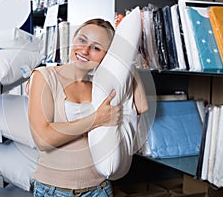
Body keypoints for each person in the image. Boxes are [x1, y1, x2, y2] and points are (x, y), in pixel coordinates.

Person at [26, 18, 148, 197]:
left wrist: (124, 57)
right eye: (82, 40)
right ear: (73, 40)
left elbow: (142, 106)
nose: (84, 50)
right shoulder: (44, 77)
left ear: (107, 56)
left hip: (98, 189)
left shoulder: (100, 85)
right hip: (52, 190)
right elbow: (43, 139)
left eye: (96, 48)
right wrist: (96, 119)